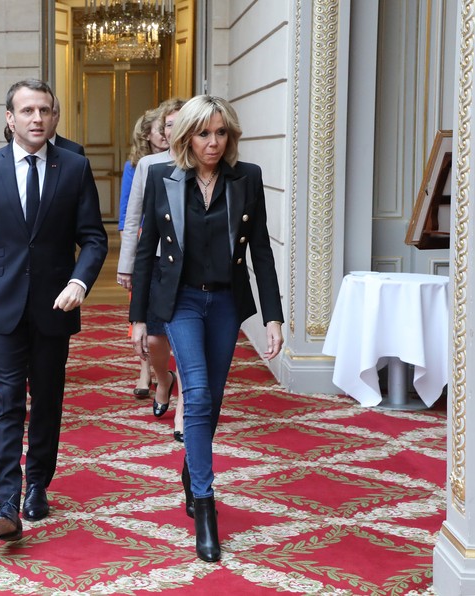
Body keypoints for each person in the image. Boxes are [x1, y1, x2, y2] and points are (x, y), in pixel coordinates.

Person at [0, 79, 108, 542]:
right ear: (10, 118)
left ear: (55, 117)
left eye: (45, 110)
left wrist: (79, 281)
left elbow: (94, 237)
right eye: (27, 111)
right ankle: (4, 501)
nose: (37, 118)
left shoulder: (74, 168)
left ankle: (38, 481)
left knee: (47, 401)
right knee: (6, 404)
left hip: (54, 305)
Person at [129, 95, 284, 562]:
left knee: (212, 397)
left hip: (225, 302)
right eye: (203, 133)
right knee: (195, 392)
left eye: (220, 133)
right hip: (180, 301)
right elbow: (145, 251)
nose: (212, 143)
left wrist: (273, 316)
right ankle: (205, 502)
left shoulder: (247, 178)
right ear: (185, 137)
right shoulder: (162, 177)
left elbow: (260, 251)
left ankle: (191, 465)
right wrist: (138, 317)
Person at [117, 98, 185, 428]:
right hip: (157, 261)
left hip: (193, 266)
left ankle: (185, 408)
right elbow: (133, 220)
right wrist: (126, 266)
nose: (174, 129)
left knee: (190, 339)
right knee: (154, 339)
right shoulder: (149, 165)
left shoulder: (205, 162)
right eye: (168, 124)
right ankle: (163, 377)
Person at [119, 107, 168, 398]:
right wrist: (130, 258)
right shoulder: (136, 166)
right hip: (144, 245)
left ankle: (163, 374)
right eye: (160, 129)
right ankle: (144, 370)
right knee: (141, 312)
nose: (164, 134)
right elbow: (127, 212)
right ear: (147, 135)